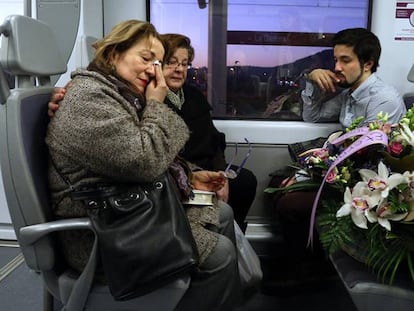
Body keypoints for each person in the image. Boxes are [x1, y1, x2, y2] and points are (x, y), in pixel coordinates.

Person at [45, 20, 240, 310]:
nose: (154, 70)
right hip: (102, 233)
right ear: (113, 55)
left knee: (221, 212)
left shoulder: (115, 94)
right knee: (220, 254)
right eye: (146, 58)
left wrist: (190, 175)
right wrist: (156, 105)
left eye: (158, 62)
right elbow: (144, 161)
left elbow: (139, 156)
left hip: (126, 209)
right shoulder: (89, 99)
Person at [49, 33, 258, 233]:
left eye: (185, 64)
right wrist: (189, 176)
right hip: (151, 185)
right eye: (171, 62)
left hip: (182, 171)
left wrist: (216, 173)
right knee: (223, 226)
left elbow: (213, 140)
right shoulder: (133, 99)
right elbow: (146, 155)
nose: (179, 69)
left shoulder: (193, 96)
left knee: (243, 183)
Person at [271, 27, 407, 283]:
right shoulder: (350, 94)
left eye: (345, 60)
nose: (337, 67)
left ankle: (308, 273)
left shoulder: (383, 100)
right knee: (277, 185)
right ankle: (297, 262)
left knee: (291, 203)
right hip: (347, 167)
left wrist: (306, 177)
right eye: (336, 60)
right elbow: (311, 116)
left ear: (367, 64)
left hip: (367, 180)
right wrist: (311, 79)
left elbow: (365, 154)